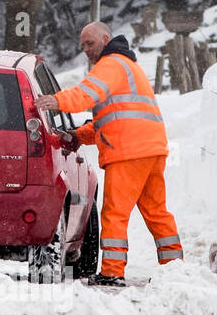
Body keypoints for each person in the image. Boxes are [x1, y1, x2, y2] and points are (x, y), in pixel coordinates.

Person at [34, 21, 183, 286]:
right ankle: (176, 269)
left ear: (105, 38)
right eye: (83, 46)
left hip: (128, 153)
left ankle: (113, 272)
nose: (86, 50)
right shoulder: (128, 66)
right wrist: (80, 136)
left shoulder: (111, 64)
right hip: (151, 149)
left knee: (115, 213)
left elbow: (85, 95)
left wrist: (56, 101)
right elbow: (112, 121)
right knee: (157, 212)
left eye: (89, 44)